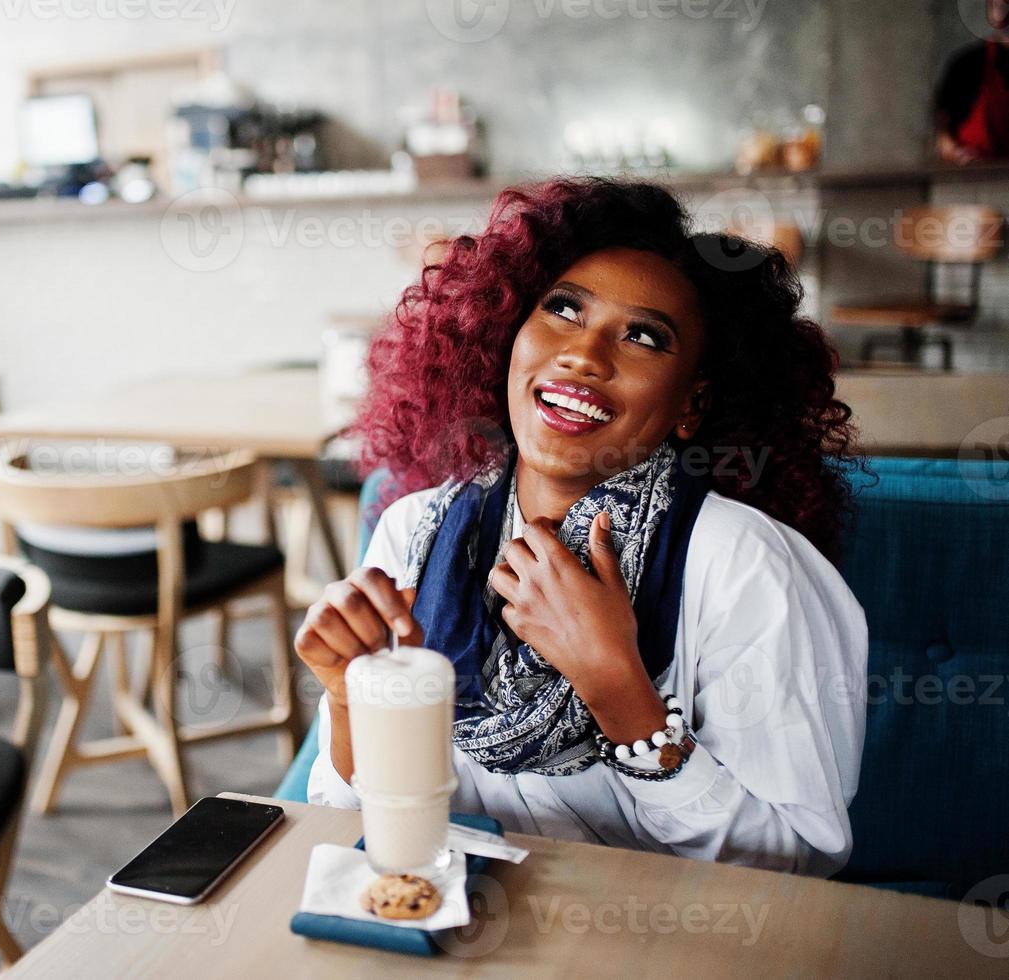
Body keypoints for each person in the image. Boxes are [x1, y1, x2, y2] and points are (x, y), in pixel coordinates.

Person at [296, 178, 868, 877]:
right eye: (563, 309)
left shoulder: (739, 564)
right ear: (505, 332)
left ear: (691, 404)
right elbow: (350, 823)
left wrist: (617, 686)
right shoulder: (415, 530)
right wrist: (349, 699)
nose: (585, 355)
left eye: (643, 337)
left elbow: (797, 861)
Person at [935, 0, 1009, 162]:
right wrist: (954, 152)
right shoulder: (967, 64)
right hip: (976, 180)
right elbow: (944, 136)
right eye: (998, 6)